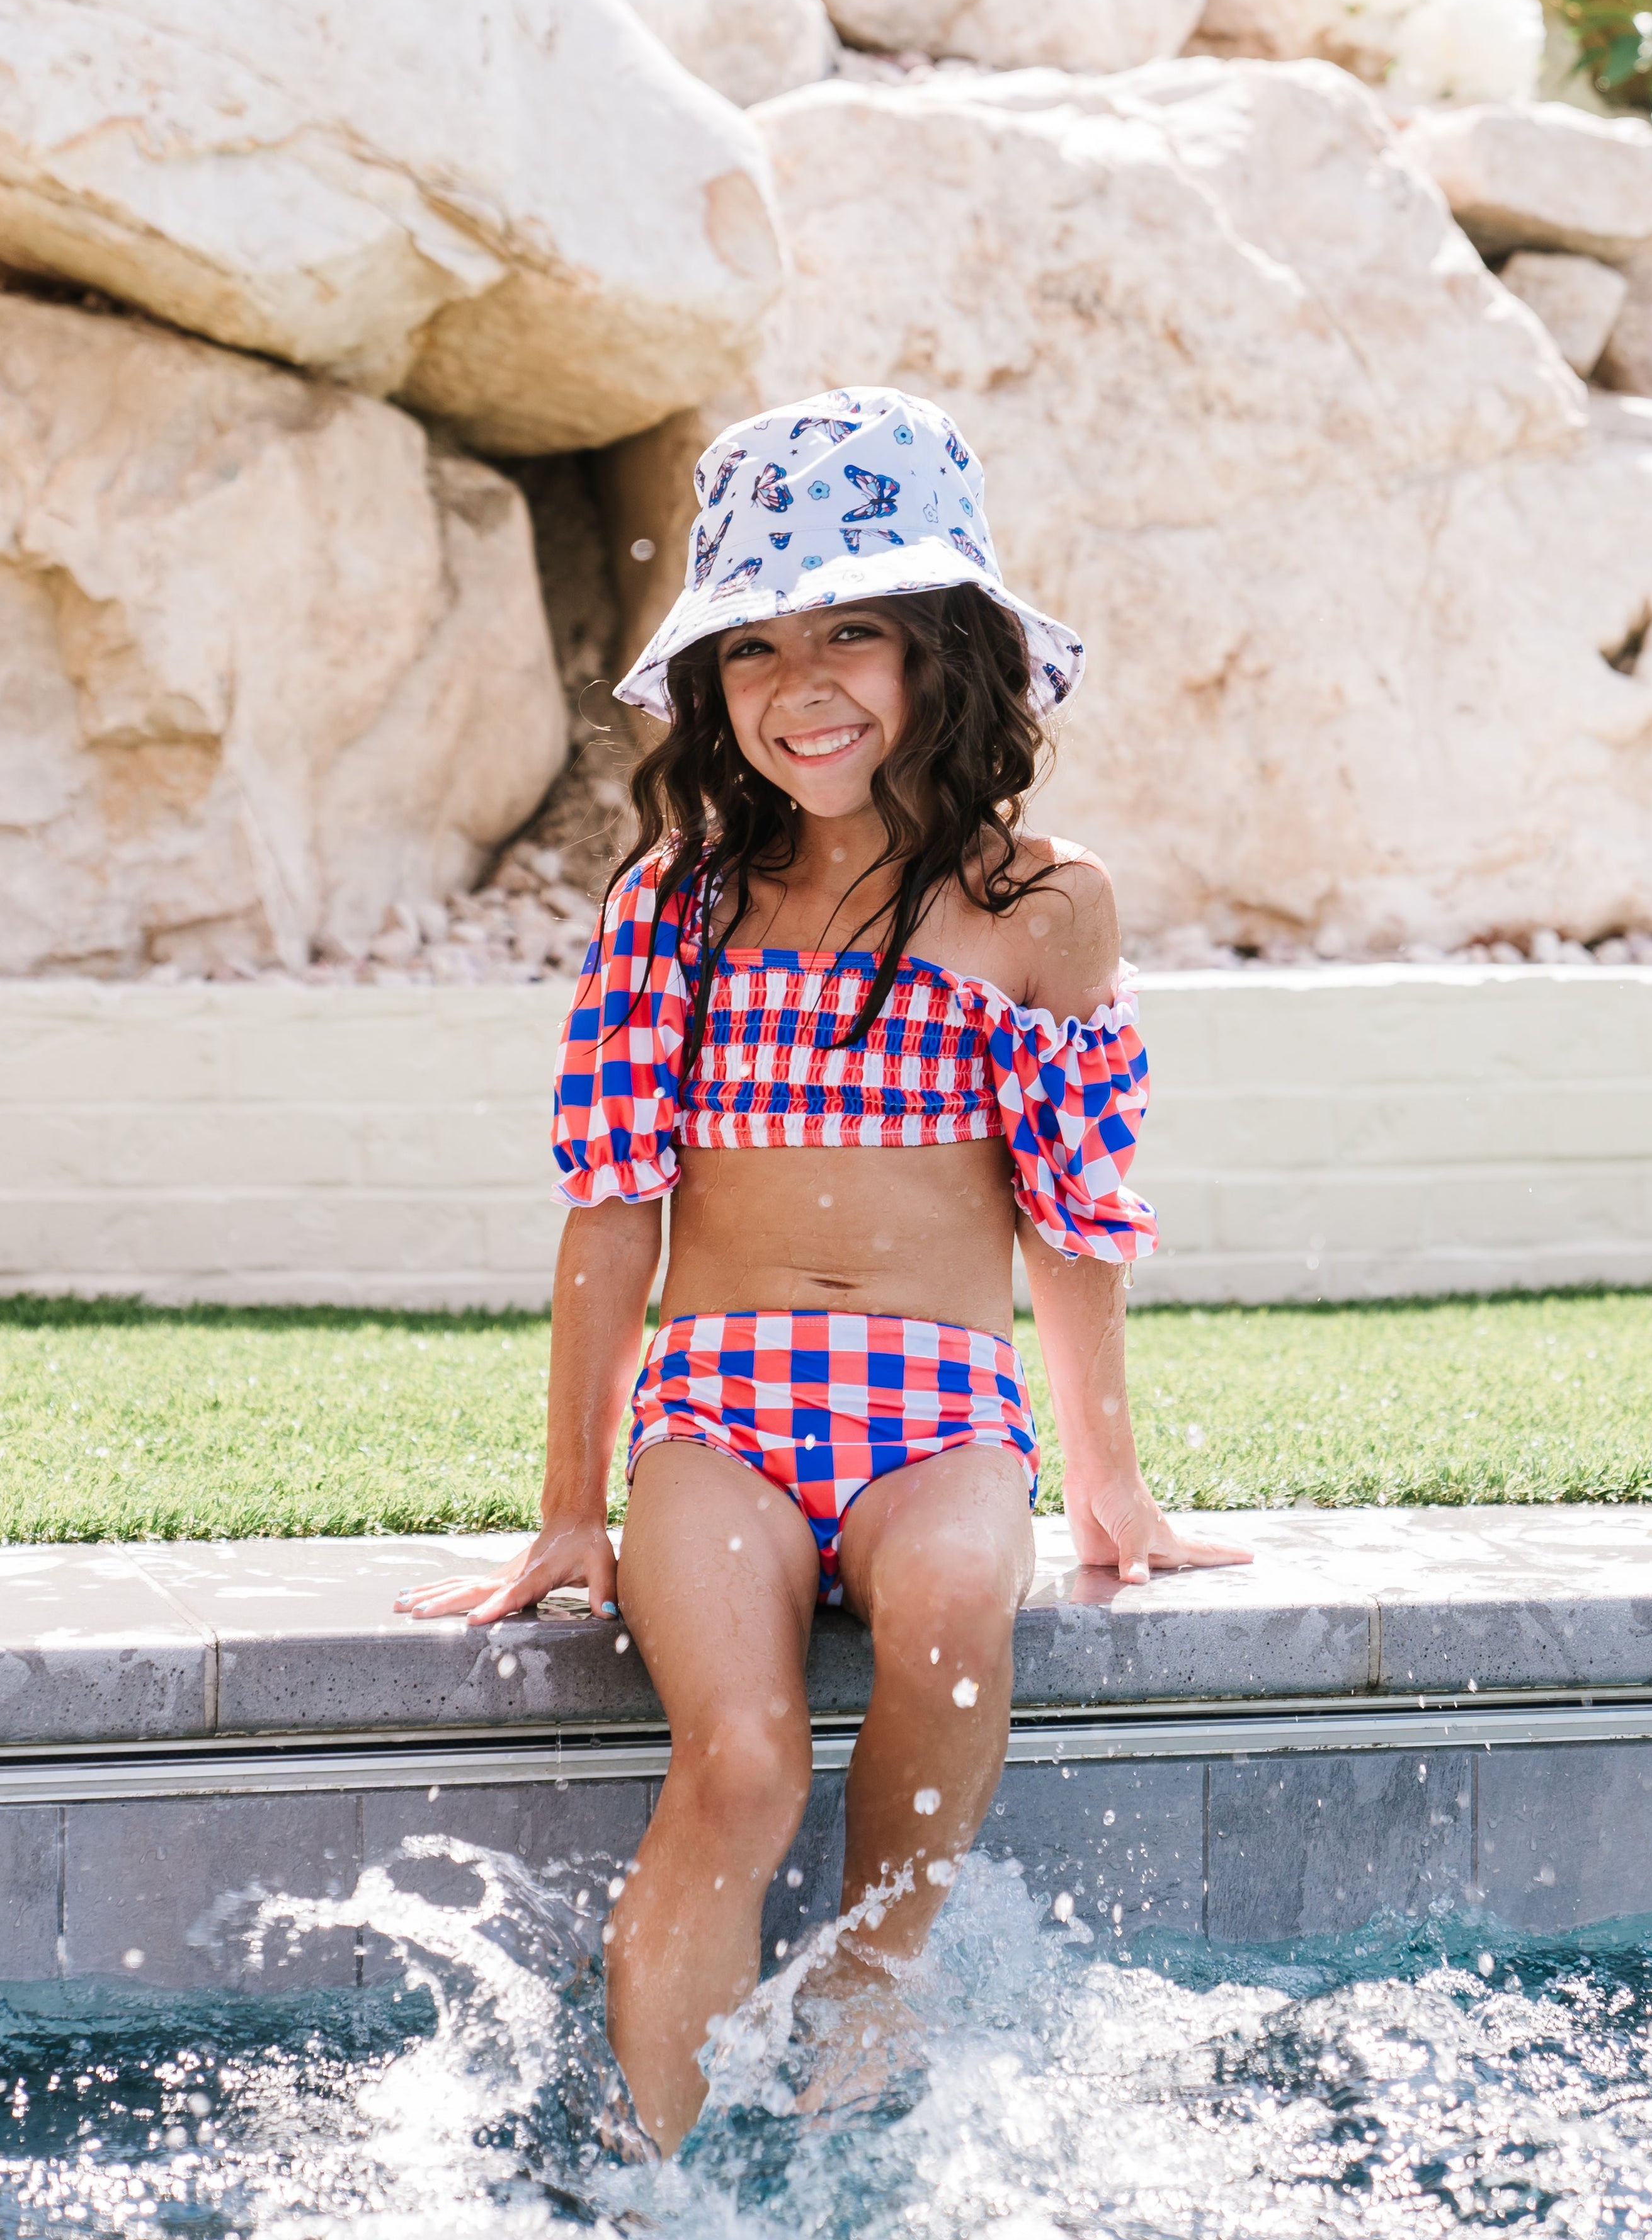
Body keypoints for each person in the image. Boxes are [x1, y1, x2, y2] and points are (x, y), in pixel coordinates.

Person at [397, 385, 1248, 2151]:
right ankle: (658, 2172)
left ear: (947, 649)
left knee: (955, 1620)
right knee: (743, 1759)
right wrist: (568, 1508)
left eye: (851, 632)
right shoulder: (680, 905)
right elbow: (612, 1210)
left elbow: (1072, 1214)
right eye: (754, 646)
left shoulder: (1042, 905)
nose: (802, 684)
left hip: (942, 1414)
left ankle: (872, 2000)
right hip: (720, 1415)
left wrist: (1110, 1484)